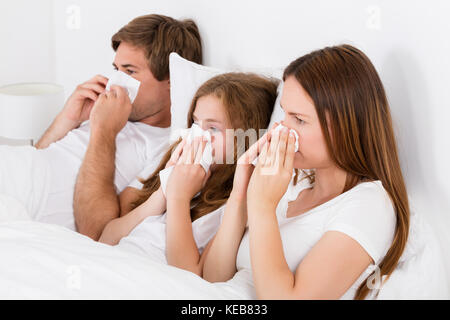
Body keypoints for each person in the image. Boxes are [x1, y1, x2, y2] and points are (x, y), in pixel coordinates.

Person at [201, 44, 410, 300]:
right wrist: (240, 195)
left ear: (346, 126)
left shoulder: (369, 205)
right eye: (284, 114)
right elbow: (211, 278)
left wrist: (262, 207)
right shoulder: (292, 184)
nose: (282, 130)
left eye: (299, 119)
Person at [0, 14, 203, 233]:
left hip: (26, 203)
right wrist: (68, 119)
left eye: (130, 71)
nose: (116, 82)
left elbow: (95, 231)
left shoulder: (166, 149)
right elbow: (38, 159)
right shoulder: (105, 111)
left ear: (173, 80)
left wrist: (104, 130)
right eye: (116, 70)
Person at [97, 73, 279, 275]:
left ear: (247, 138)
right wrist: (163, 194)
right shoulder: (177, 172)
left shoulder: (233, 204)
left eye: (213, 128)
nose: (197, 137)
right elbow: (106, 239)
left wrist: (178, 199)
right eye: (195, 123)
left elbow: (190, 276)